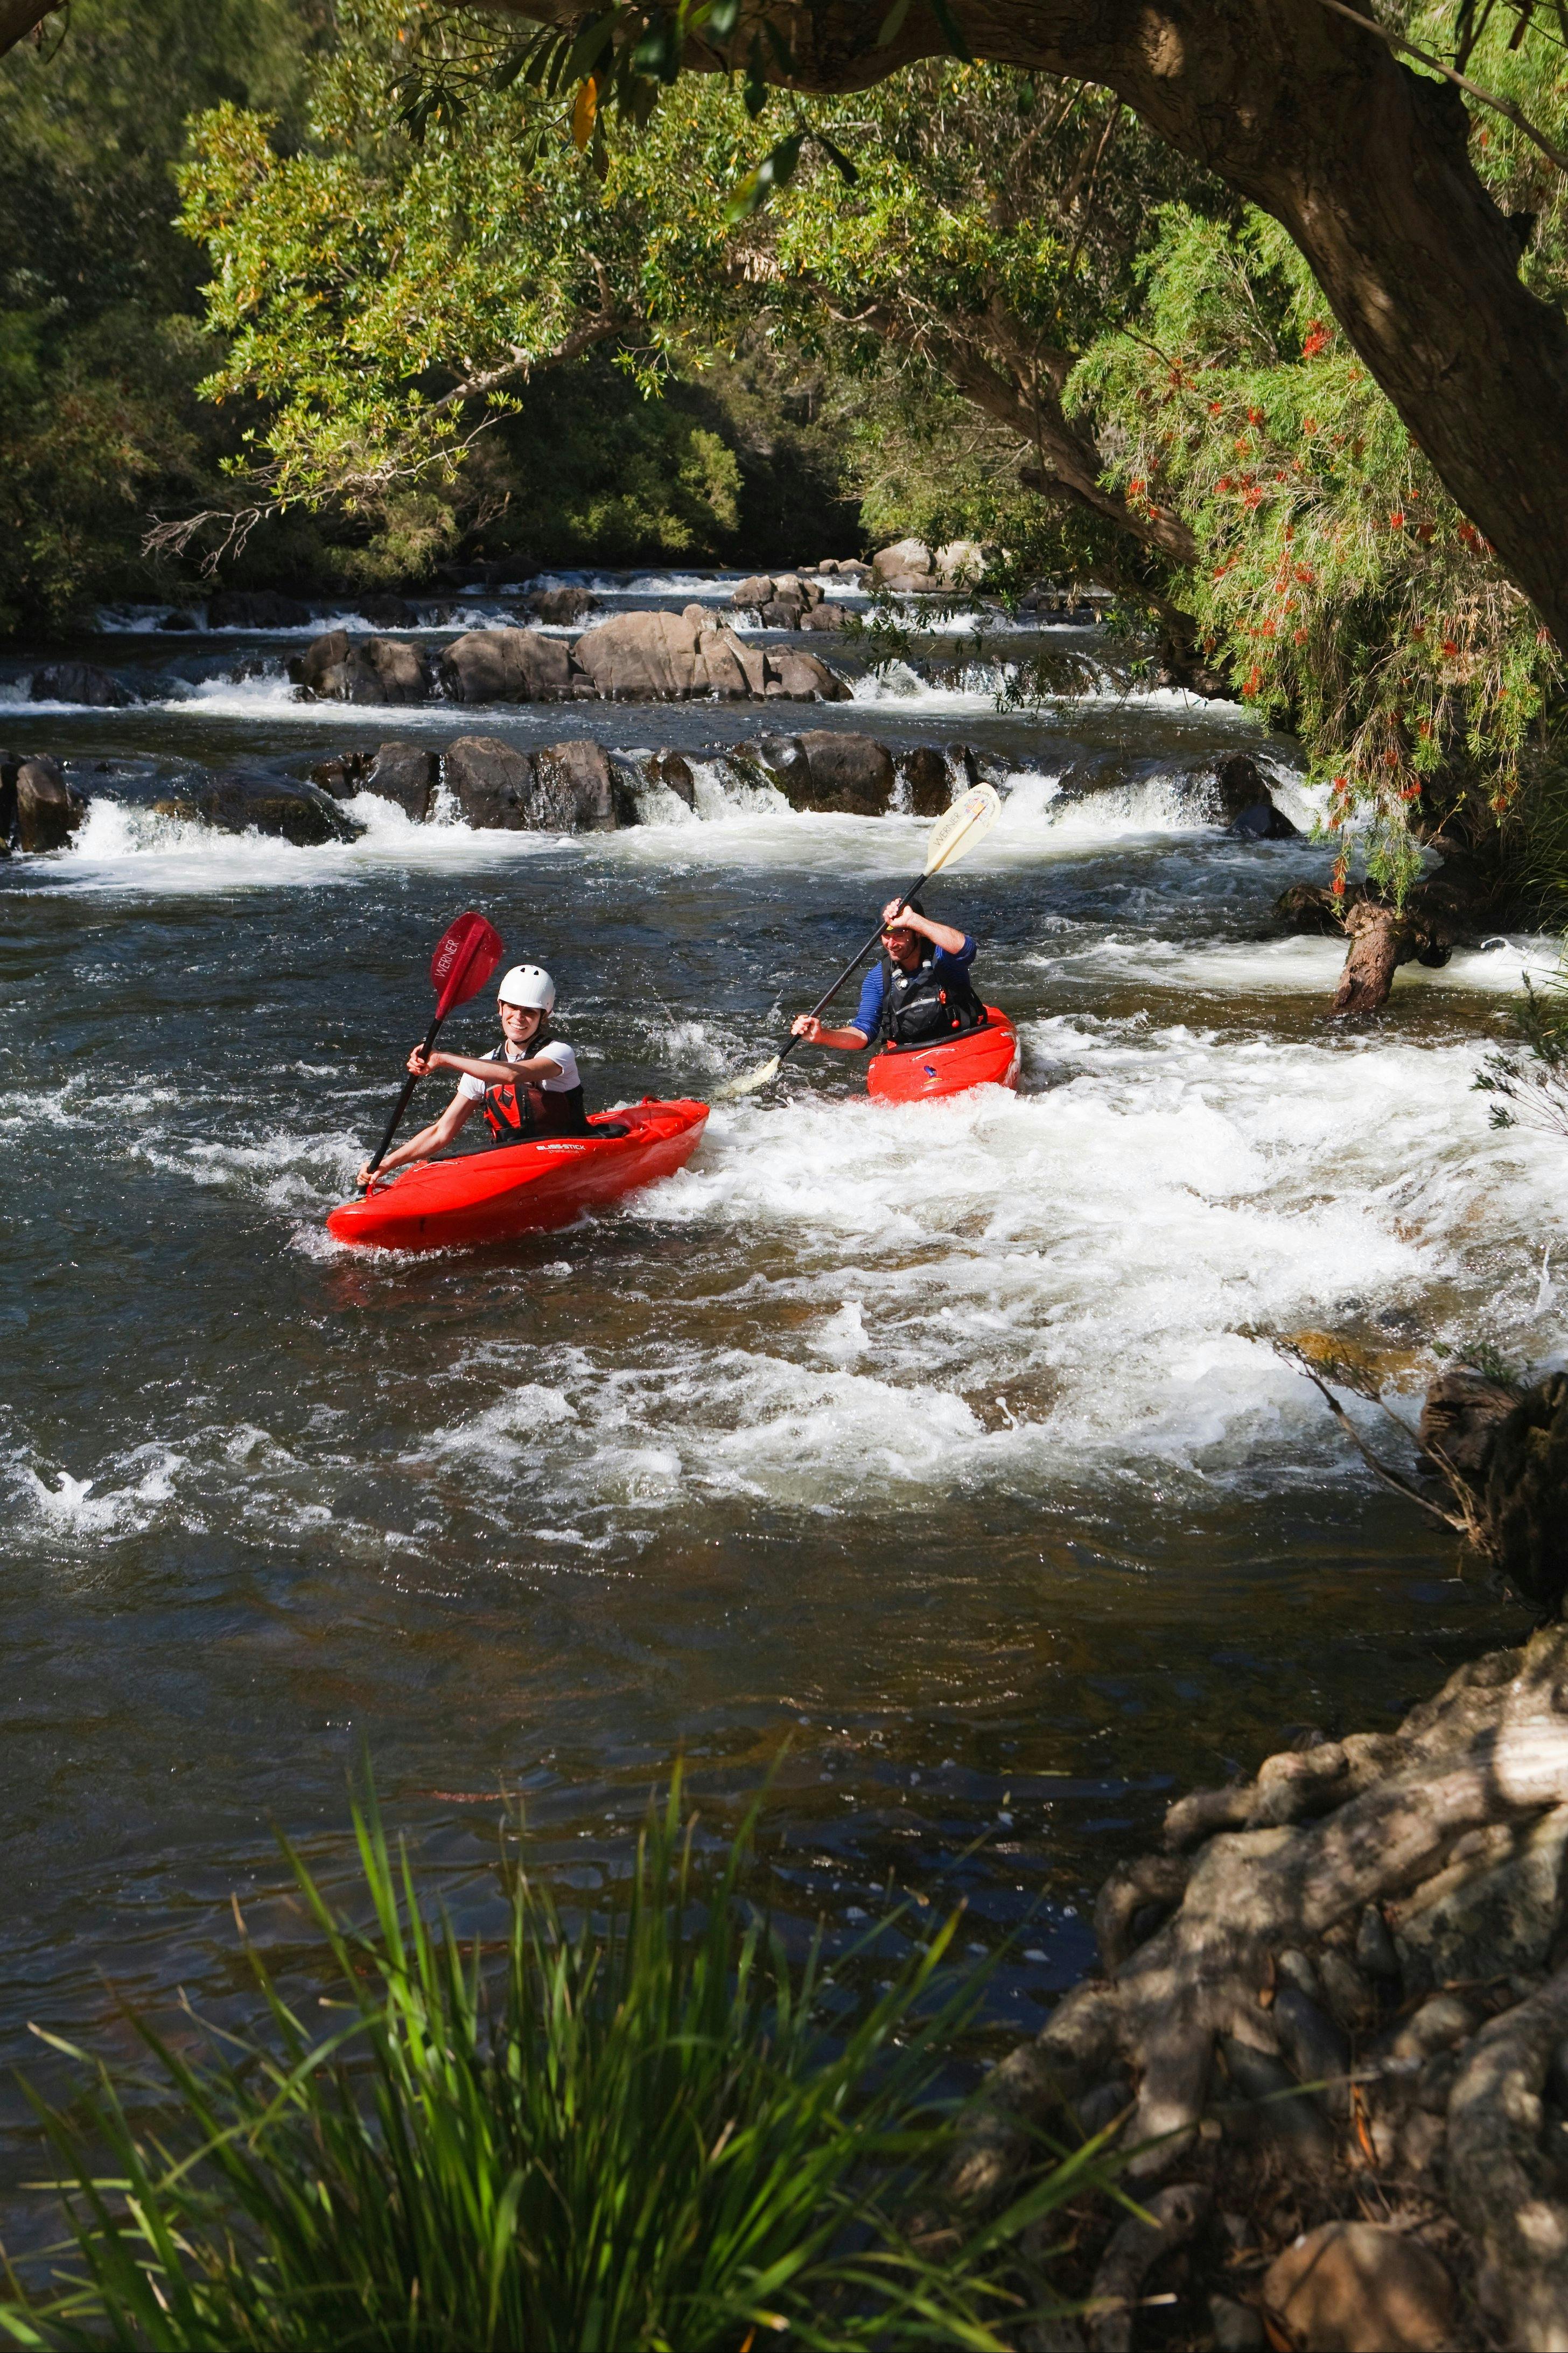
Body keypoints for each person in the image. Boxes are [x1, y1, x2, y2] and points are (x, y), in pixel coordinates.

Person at [357, 962, 587, 1188]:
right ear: (500, 1007)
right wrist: (386, 1164)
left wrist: (442, 1058)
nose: (518, 1017)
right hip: (512, 1164)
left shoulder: (559, 1053)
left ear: (543, 1017)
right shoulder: (482, 1067)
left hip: (563, 1154)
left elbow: (511, 1075)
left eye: (529, 1012)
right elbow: (441, 1132)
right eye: (512, 1007)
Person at [790, 898, 985, 1056]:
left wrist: (914, 920)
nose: (891, 943)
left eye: (900, 934)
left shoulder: (944, 958)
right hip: (914, 1053)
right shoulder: (878, 978)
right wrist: (823, 1035)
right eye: (885, 935)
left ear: (917, 933)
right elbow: (863, 1033)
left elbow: (966, 950)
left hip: (965, 1041)